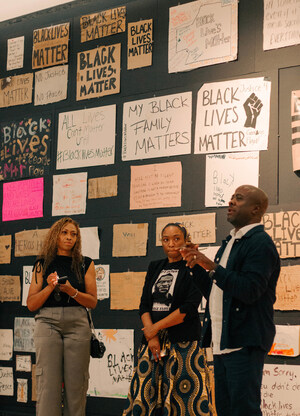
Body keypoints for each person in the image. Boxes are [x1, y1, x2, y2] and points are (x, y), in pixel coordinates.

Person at [180, 185, 281, 416]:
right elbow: (217, 292)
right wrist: (196, 267)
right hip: (223, 341)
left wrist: (212, 267)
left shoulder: (260, 243)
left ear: (256, 209)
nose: (231, 202)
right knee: (225, 410)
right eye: (232, 197)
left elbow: (250, 290)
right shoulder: (230, 242)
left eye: (239, 198)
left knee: (243, 410)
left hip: (244, 341)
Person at [122, 223, 213, 416]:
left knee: (185, 402)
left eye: (176, 239)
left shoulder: (193, 267)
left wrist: (154, 329)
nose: (171, 244)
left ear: (185, 240)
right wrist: (151, 335)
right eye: (166, 239)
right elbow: (144, 305)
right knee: (146, 399)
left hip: (184, 344)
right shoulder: (155, 266)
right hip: (152, 344)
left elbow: (188, 308)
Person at [27, 217, 97, 416]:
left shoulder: (86, 264)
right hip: (48, 322)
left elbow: (92, 302)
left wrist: (71, 291)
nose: (69, 237)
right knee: (47, 383)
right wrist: (50, 287)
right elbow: (31, 304)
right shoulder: (42, 264)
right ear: (55, 235)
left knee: (77, 384)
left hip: (78, 322)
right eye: (64, 232)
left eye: (73, 234)